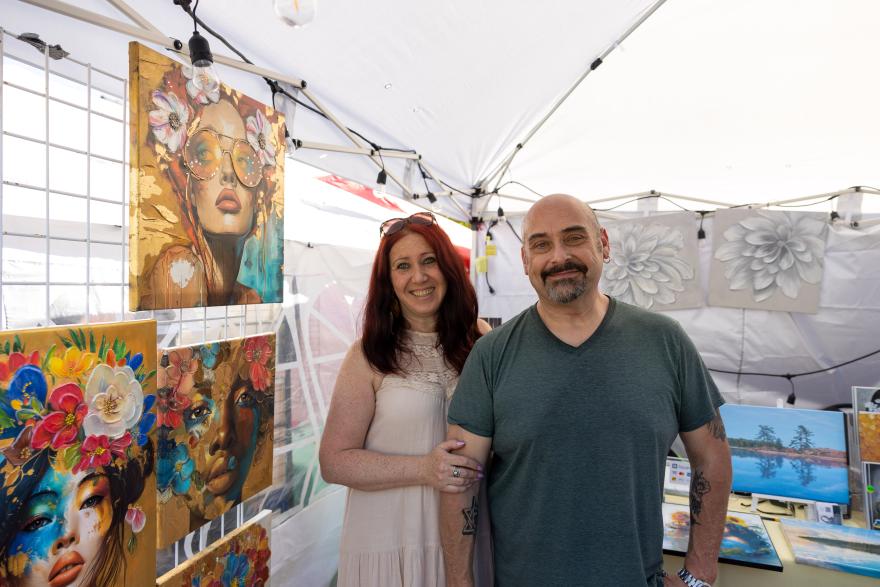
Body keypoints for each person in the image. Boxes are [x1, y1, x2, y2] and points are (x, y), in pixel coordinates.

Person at [440, 194, 732, 587]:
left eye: (574, 238)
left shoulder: (664, 341)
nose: (559, 257)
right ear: (526, 261)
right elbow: (460, 480)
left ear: (604, 244)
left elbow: (711, 453)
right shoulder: (492, 354)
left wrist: (699, 574)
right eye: (541, 244)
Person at [320, 212, 491, 587]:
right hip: (388, 544)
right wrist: (424, 469)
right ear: (389, 282)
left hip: (465, 541)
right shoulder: (367, 354)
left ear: (448, 267)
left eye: (429, 260)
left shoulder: (480, 339)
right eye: (403, 266)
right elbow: (334, 462)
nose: (419, 276)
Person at [144, 73, 284, 309]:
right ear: (188, 186)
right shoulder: (179, 267)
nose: (228, 173)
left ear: (257, 197)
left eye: (245, 160)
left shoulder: (249, 298)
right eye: (205, 153)